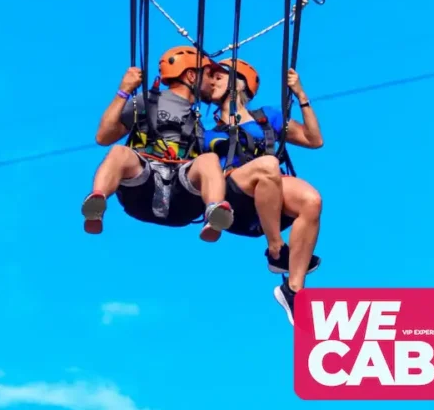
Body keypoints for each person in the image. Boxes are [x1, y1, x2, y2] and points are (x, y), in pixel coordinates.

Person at [202, 57, 324, 325]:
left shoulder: (268, 118)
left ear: (240, 83)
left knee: (311, 200)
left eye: (220, 76)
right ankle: (277, 249)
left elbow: (314, 140)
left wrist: (301, 96)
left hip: (269, 195)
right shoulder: (203, 133)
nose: (213, 81)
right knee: (268, 165)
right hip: (233, 196)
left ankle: (293, 290)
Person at [81, 45, 234, 237]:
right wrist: (124, 91)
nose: (212, 82)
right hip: (143, 182)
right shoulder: (147, 101)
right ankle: (97, 203)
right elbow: (103, 137)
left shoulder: (198, 120)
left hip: (182, 195)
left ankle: (214, 213)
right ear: (192, 76)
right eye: (209, 75)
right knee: (119, 152)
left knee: (210, 159)